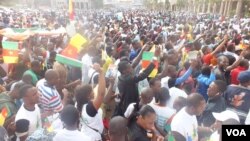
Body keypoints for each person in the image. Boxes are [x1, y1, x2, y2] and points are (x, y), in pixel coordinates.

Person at [75, 63, 106, 141]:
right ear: (88, 96)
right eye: (92, 91)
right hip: (93, 138)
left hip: (84, 135)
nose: (93, 91)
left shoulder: (78, 103)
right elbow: (101, 94)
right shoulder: (90, 108)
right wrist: (101, 73)